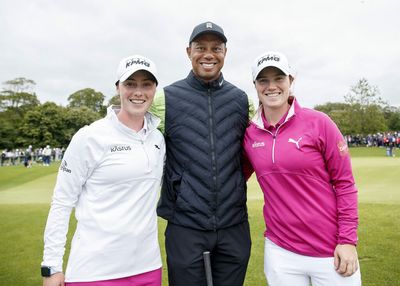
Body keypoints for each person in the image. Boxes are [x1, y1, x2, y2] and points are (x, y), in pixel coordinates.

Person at [41, 55, 165, 286]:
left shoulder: (157, 138)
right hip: (95, 272)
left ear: (155, 89)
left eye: (146, 84)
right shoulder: (90, 136)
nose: (138, 92)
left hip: (148, 269)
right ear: (118, 88)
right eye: (130, 84)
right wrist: (52, 267)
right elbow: (61, 202)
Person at [242, 51, 361, 286]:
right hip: (280, 251)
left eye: (279, 78)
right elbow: (234, 178)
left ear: (291, 81)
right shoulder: (249, 135)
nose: (271, 86)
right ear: (255, 85)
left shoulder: (319, 123)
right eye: (263, 80)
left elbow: (345, 184)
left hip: (330, 250)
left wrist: (347, 240)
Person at [153, 21, 252, 286]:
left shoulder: (241, 100)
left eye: (216, 48)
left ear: (225, 53)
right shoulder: (165, 98)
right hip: (185, 225)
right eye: (200, 47)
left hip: (234, 225)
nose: (208, 54)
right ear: (188, 52)